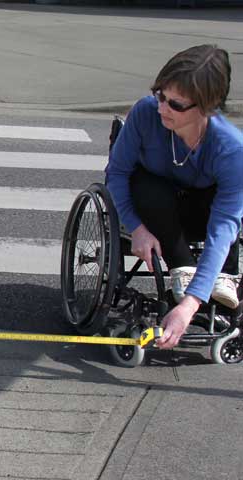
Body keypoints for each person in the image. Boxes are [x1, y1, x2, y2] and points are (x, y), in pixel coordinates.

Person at [106, 44, 243, 350]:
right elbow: (116, 174)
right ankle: (182, 268)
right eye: (161, 96)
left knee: (226, 205)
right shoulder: (145, 113)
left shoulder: (231, 149)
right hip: (150, 204)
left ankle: (218, 283)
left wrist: (189, 305)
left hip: (200, 208)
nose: (163, 108)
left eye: (176, 105)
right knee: (146, 184)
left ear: (207, 106)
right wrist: (136, 229)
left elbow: (224, 225)